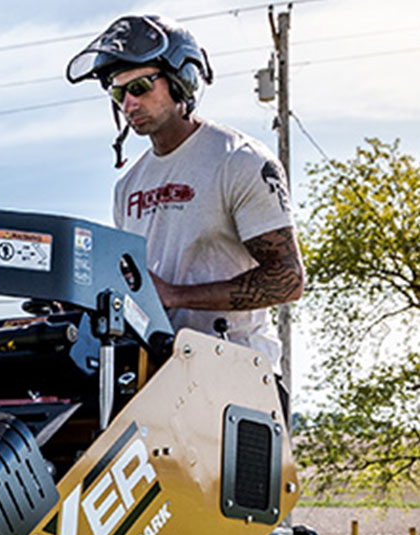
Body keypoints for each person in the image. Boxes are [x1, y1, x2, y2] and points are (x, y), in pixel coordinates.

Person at [67, 14, 304, 377]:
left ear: (183, 80)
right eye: (118, 92)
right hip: (161, 373)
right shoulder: (127, 186)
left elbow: (287, 279)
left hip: (239, 372)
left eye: (140, 87)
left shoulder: (238, 160)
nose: (128, 104)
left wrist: (175, 295)